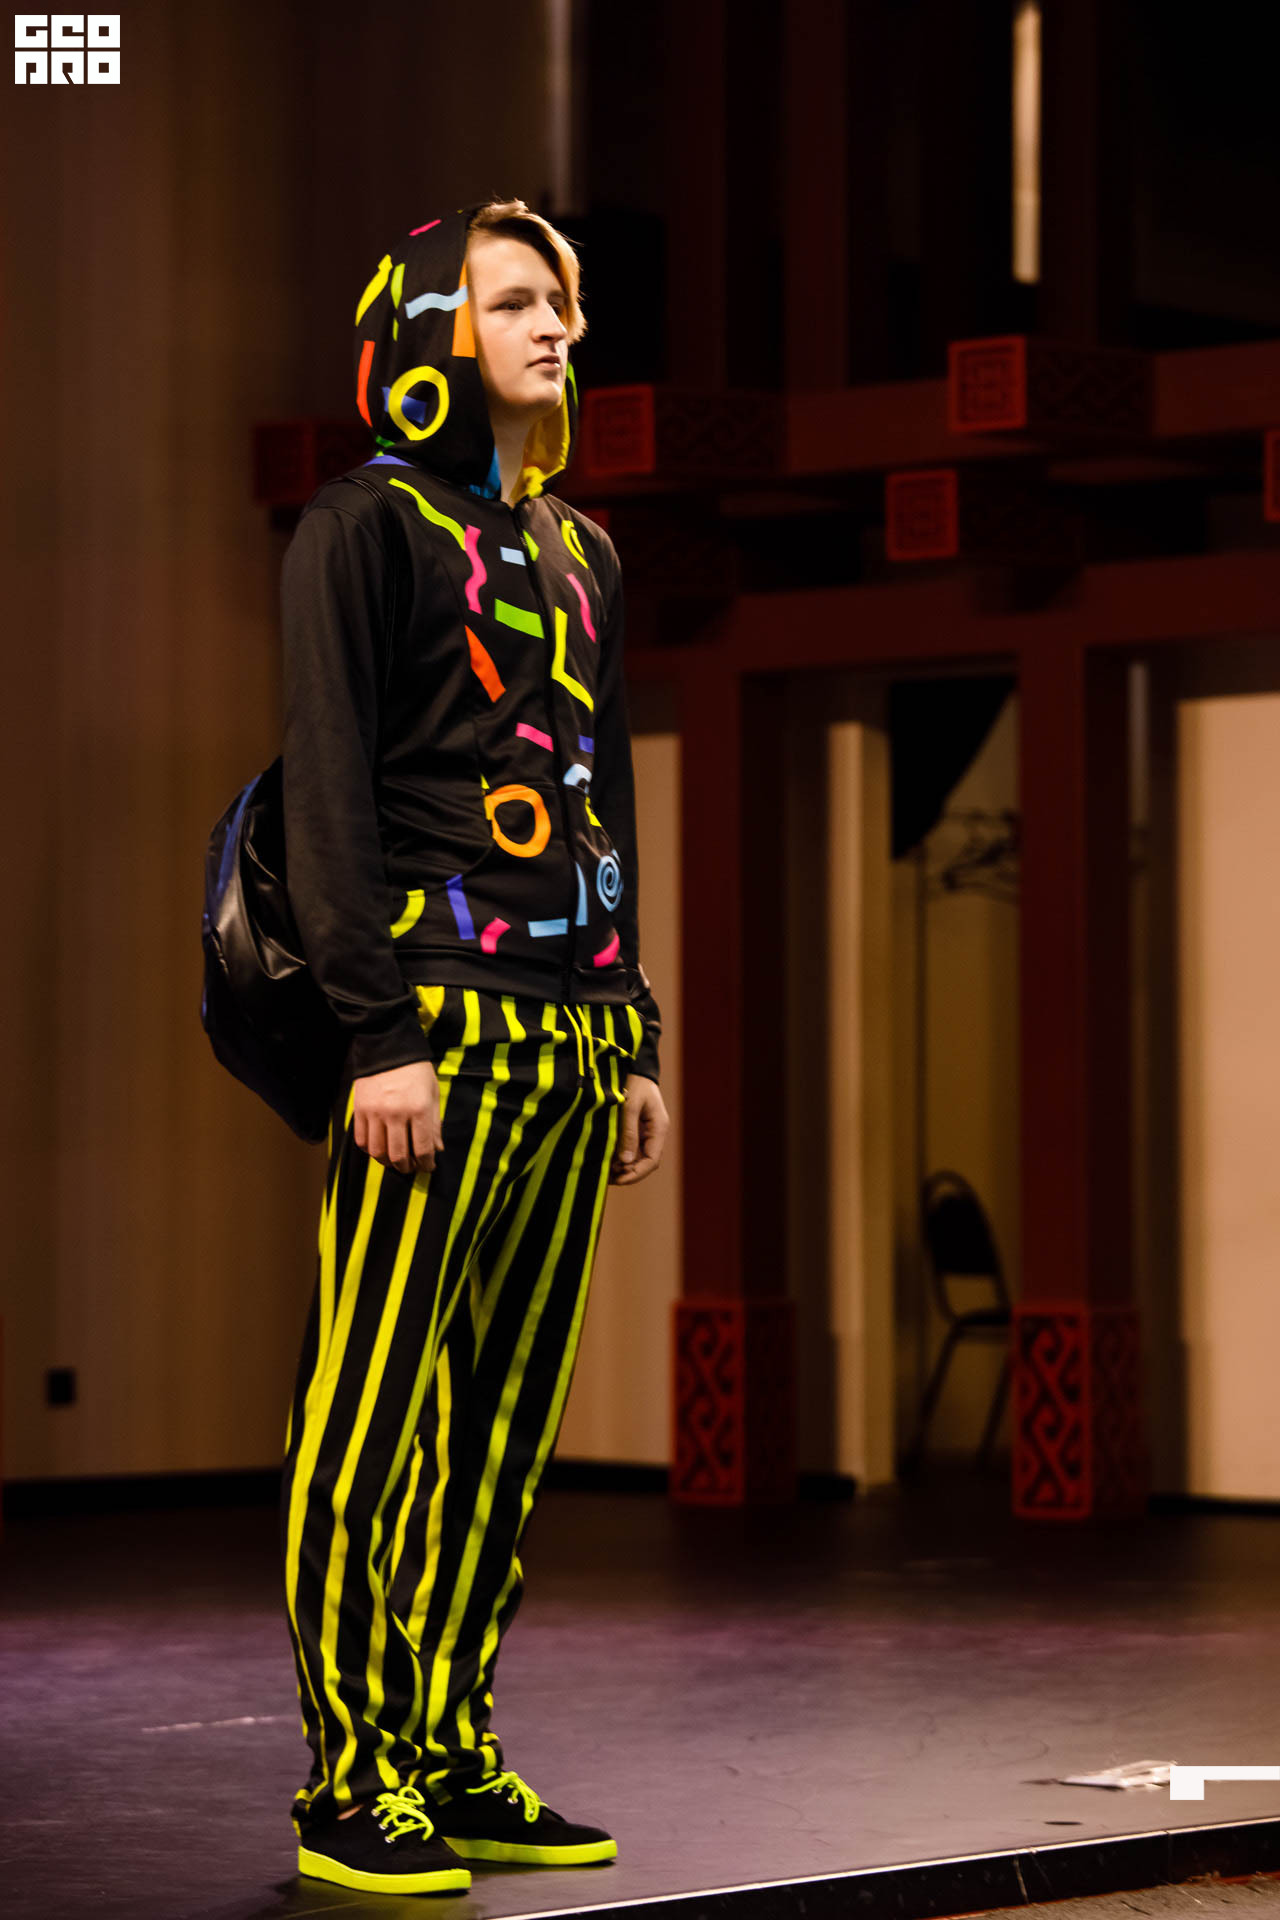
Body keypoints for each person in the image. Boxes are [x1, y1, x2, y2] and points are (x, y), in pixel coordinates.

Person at [277, 197, 670, 1897]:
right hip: (430, 1031)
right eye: (514, 300)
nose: (554, 324)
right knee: (371, 1417)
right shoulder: (359, 527)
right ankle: (350, 1779)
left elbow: (605, 796)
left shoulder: (587, 555)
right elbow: (325, 792)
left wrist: (633, 1023)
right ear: (433, 331)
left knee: (502, 1434)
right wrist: (375, 1030)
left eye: (561, 301)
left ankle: (449, 1750)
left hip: (570, 1036)